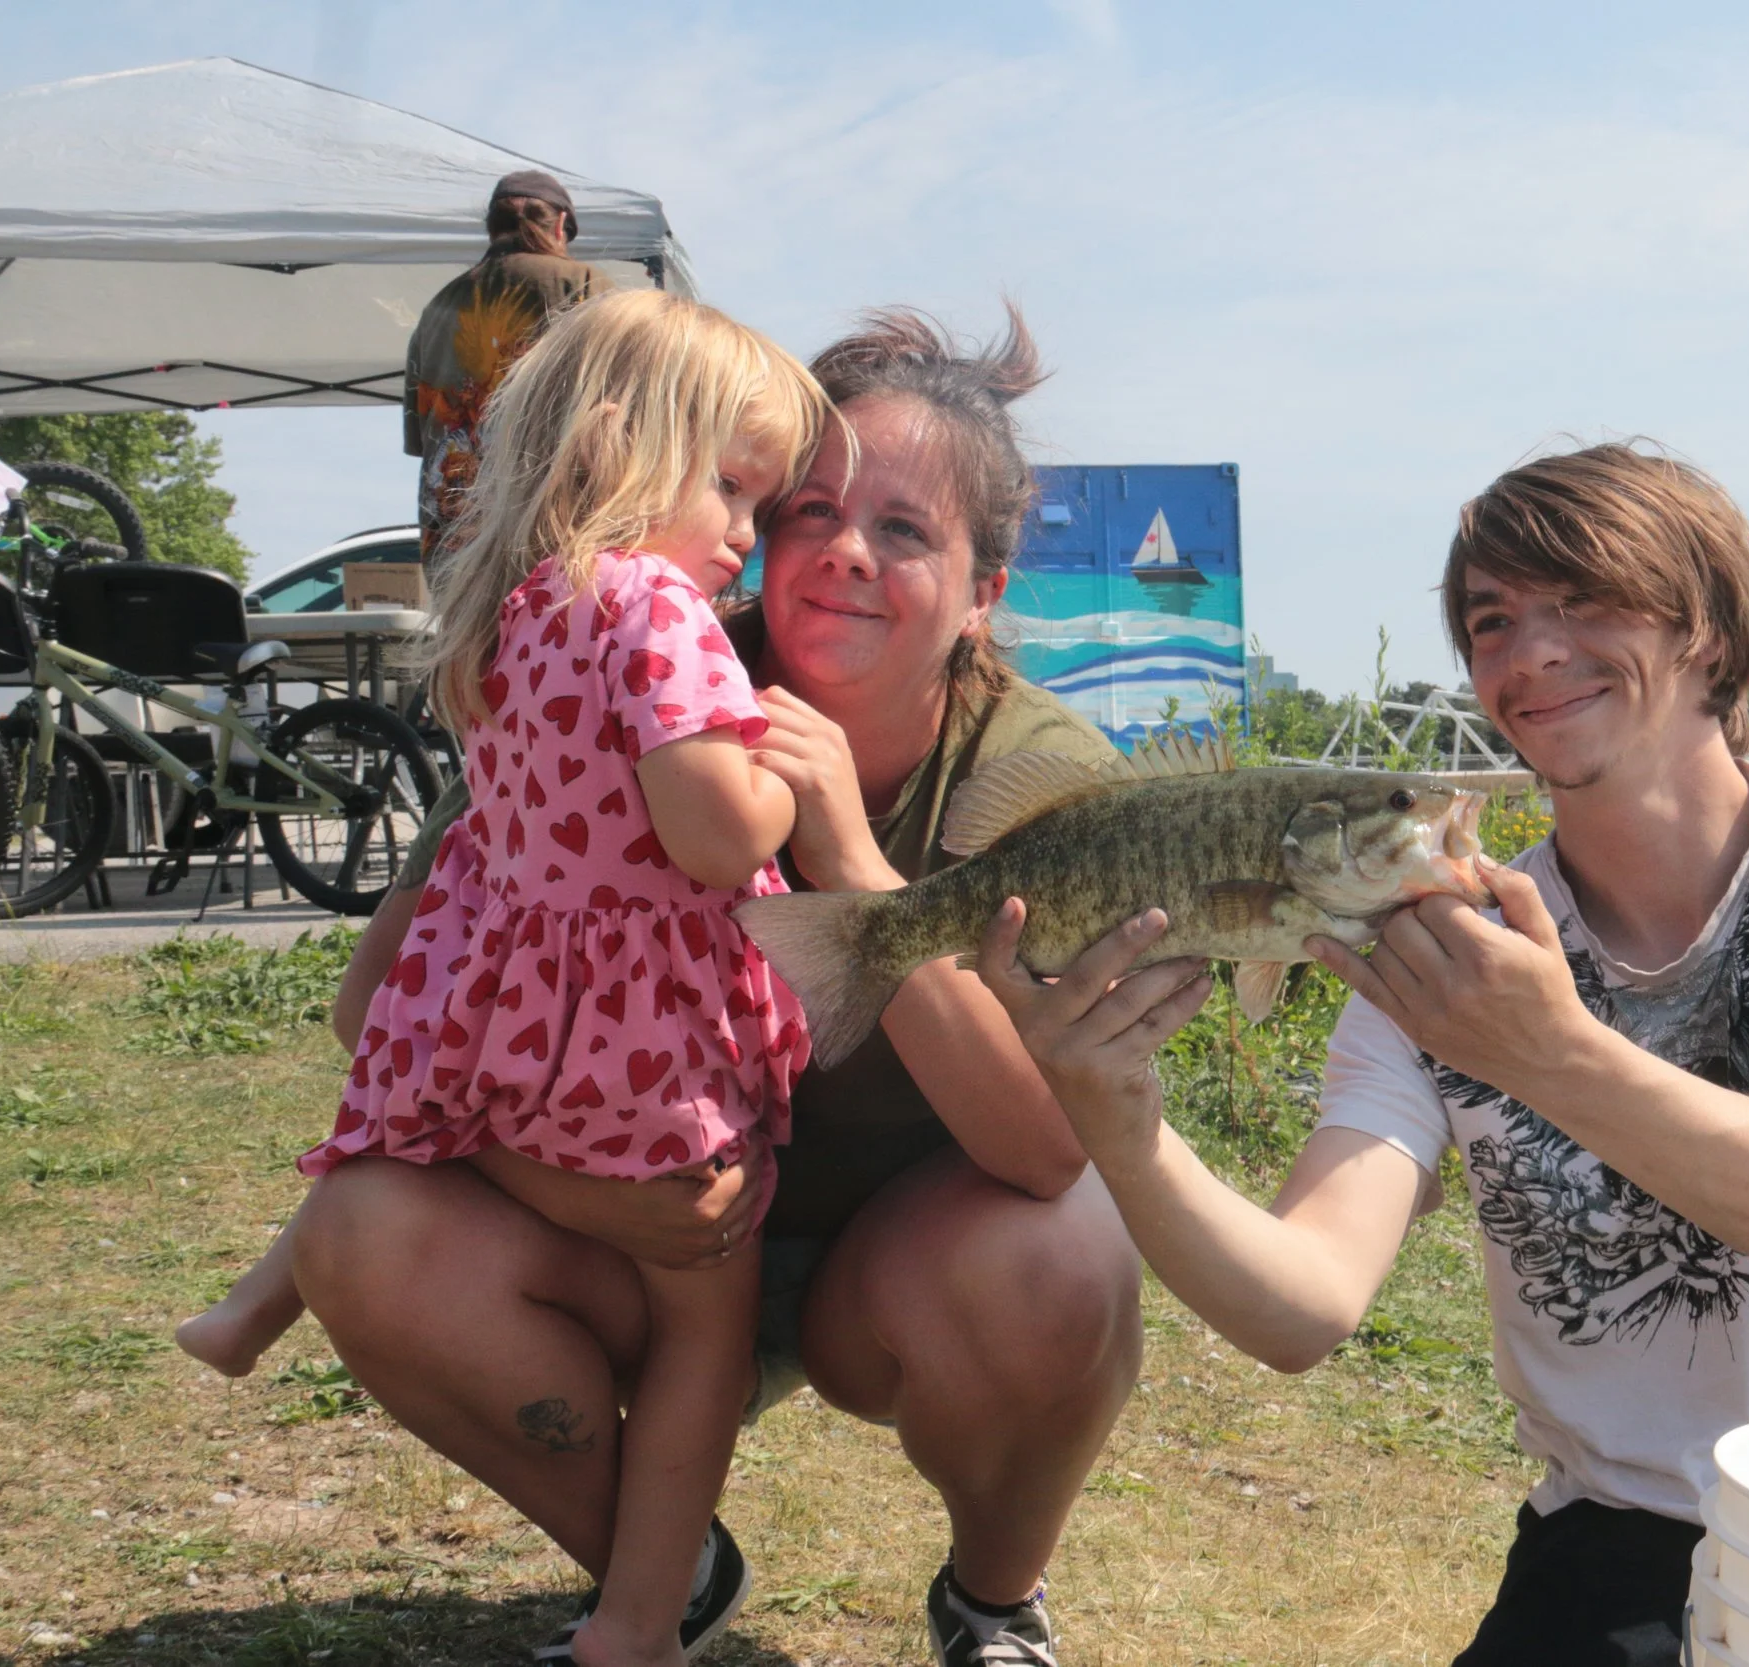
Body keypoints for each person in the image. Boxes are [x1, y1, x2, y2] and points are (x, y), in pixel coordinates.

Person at [976, 442, 1749, 1665]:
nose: (1529, 652)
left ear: (1707, 627)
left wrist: (1551, 1054)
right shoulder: (1427, 953)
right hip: (1625, 1535)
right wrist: (1119, 1121)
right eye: (1492, 620)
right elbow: (1301, 1306)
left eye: (1584, 603)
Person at [297, 307, 1141, 1667]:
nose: (842, 554)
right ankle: (663, 1565)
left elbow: (1047, 1150)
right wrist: (585, 1188)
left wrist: (854, 862)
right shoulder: (620, 661)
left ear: (984, 588)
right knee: (359, 1233)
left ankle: (993, 1597)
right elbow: (376, 1010)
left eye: (909, 532)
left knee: (1065, 1261)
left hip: (898, 1273)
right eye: (804, 508)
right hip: (643, 1249)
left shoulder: (1042, 781)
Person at [189, 290, 831, 1667]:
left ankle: (262, 1296)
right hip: (652, 1061)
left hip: (519, 1034)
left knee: (403, 1123)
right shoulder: (652, 601)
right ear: (613, 447)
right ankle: (643, 1621)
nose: (741, 534)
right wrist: (784, 789)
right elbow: (713, 834)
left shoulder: (509, 613)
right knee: (700, 1325)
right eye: (728, 484)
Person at [404, 169, 604, 559]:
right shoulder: (582, 283)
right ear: (561, 224)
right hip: (550, 538)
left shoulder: (437, 309)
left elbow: (420, 438)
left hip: (454, 543)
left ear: (491, 228)